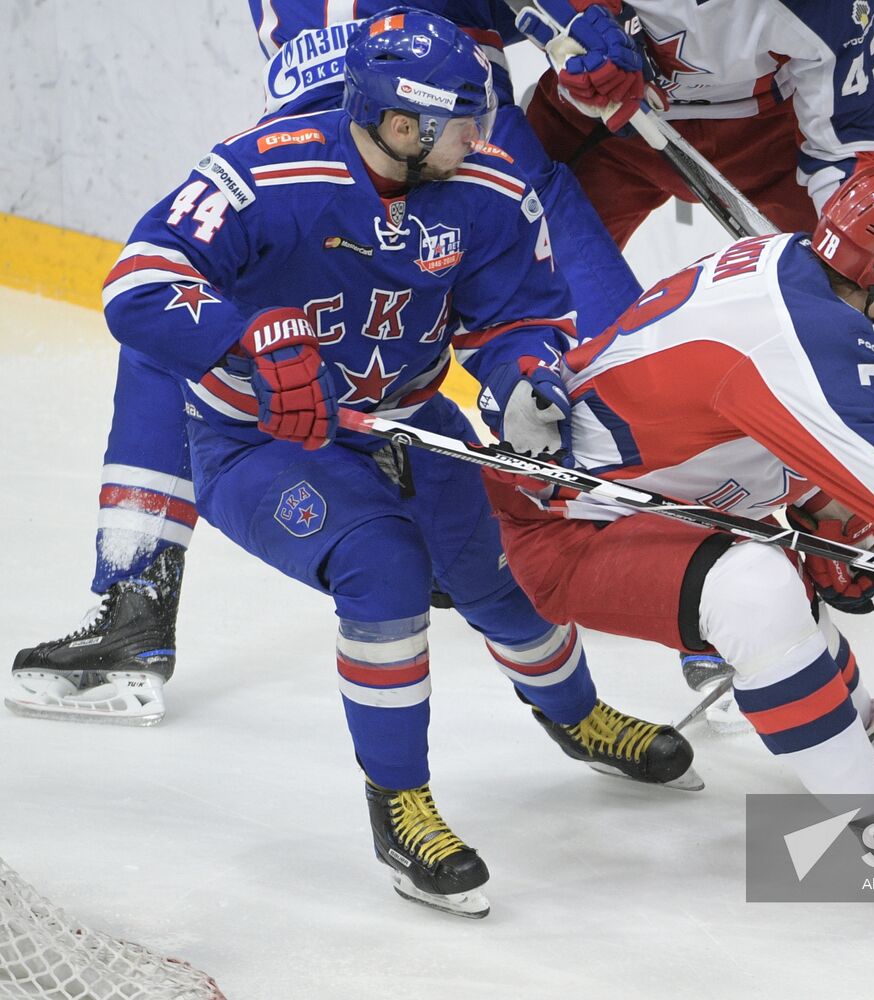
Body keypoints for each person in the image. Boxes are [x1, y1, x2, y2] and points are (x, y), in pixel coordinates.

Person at [92, 10, 698, 917]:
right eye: (464, 121)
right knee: (384, 569)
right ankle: (400, 805)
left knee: (502, 576)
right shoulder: (265, 170)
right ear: (405, 124)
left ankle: (576, 718)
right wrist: (243, 334)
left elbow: (520, 315)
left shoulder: (487, 189)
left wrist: (528, 377)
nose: (484, 136)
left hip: (411, 420)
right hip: (258, 439)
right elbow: (136, 281)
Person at [7, 0, 641, 726]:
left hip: (459, 139)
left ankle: (708, 589)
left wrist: (580, 19)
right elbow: (150, 289)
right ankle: (136, 600)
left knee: (589, 371)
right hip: (335, 141)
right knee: (184, 322)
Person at [479, 165, 874, 926]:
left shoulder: (793, 270)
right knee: (757, 589)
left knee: (778, 573)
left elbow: (767, 431)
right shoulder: (802, 332)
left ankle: (861, 732)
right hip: (572, 526)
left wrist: (829, 516)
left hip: (661, 496)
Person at [512, 0, 874, 722]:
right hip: (603, 121)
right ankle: (698, 590)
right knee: (584, 333)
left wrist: (871, 312)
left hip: (762, 133)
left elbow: (846, 155)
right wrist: (569, 22)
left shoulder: (827, 9)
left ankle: (866, 510)